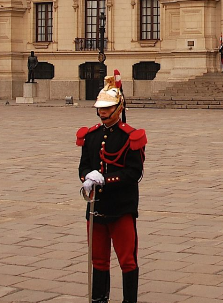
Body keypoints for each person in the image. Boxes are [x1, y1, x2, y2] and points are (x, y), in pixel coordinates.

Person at [77, 73, 147, 303]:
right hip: (97, 209)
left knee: (127, 259)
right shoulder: (91, 135)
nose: (102, 112)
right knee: (98, 259)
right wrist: (88, 177)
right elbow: (83, 166)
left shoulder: (131, 136)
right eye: (100, 107)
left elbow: (133, 172)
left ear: (118, 108)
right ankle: (99, 299)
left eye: (107, 107)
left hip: (121, 207)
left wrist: (106, 180)